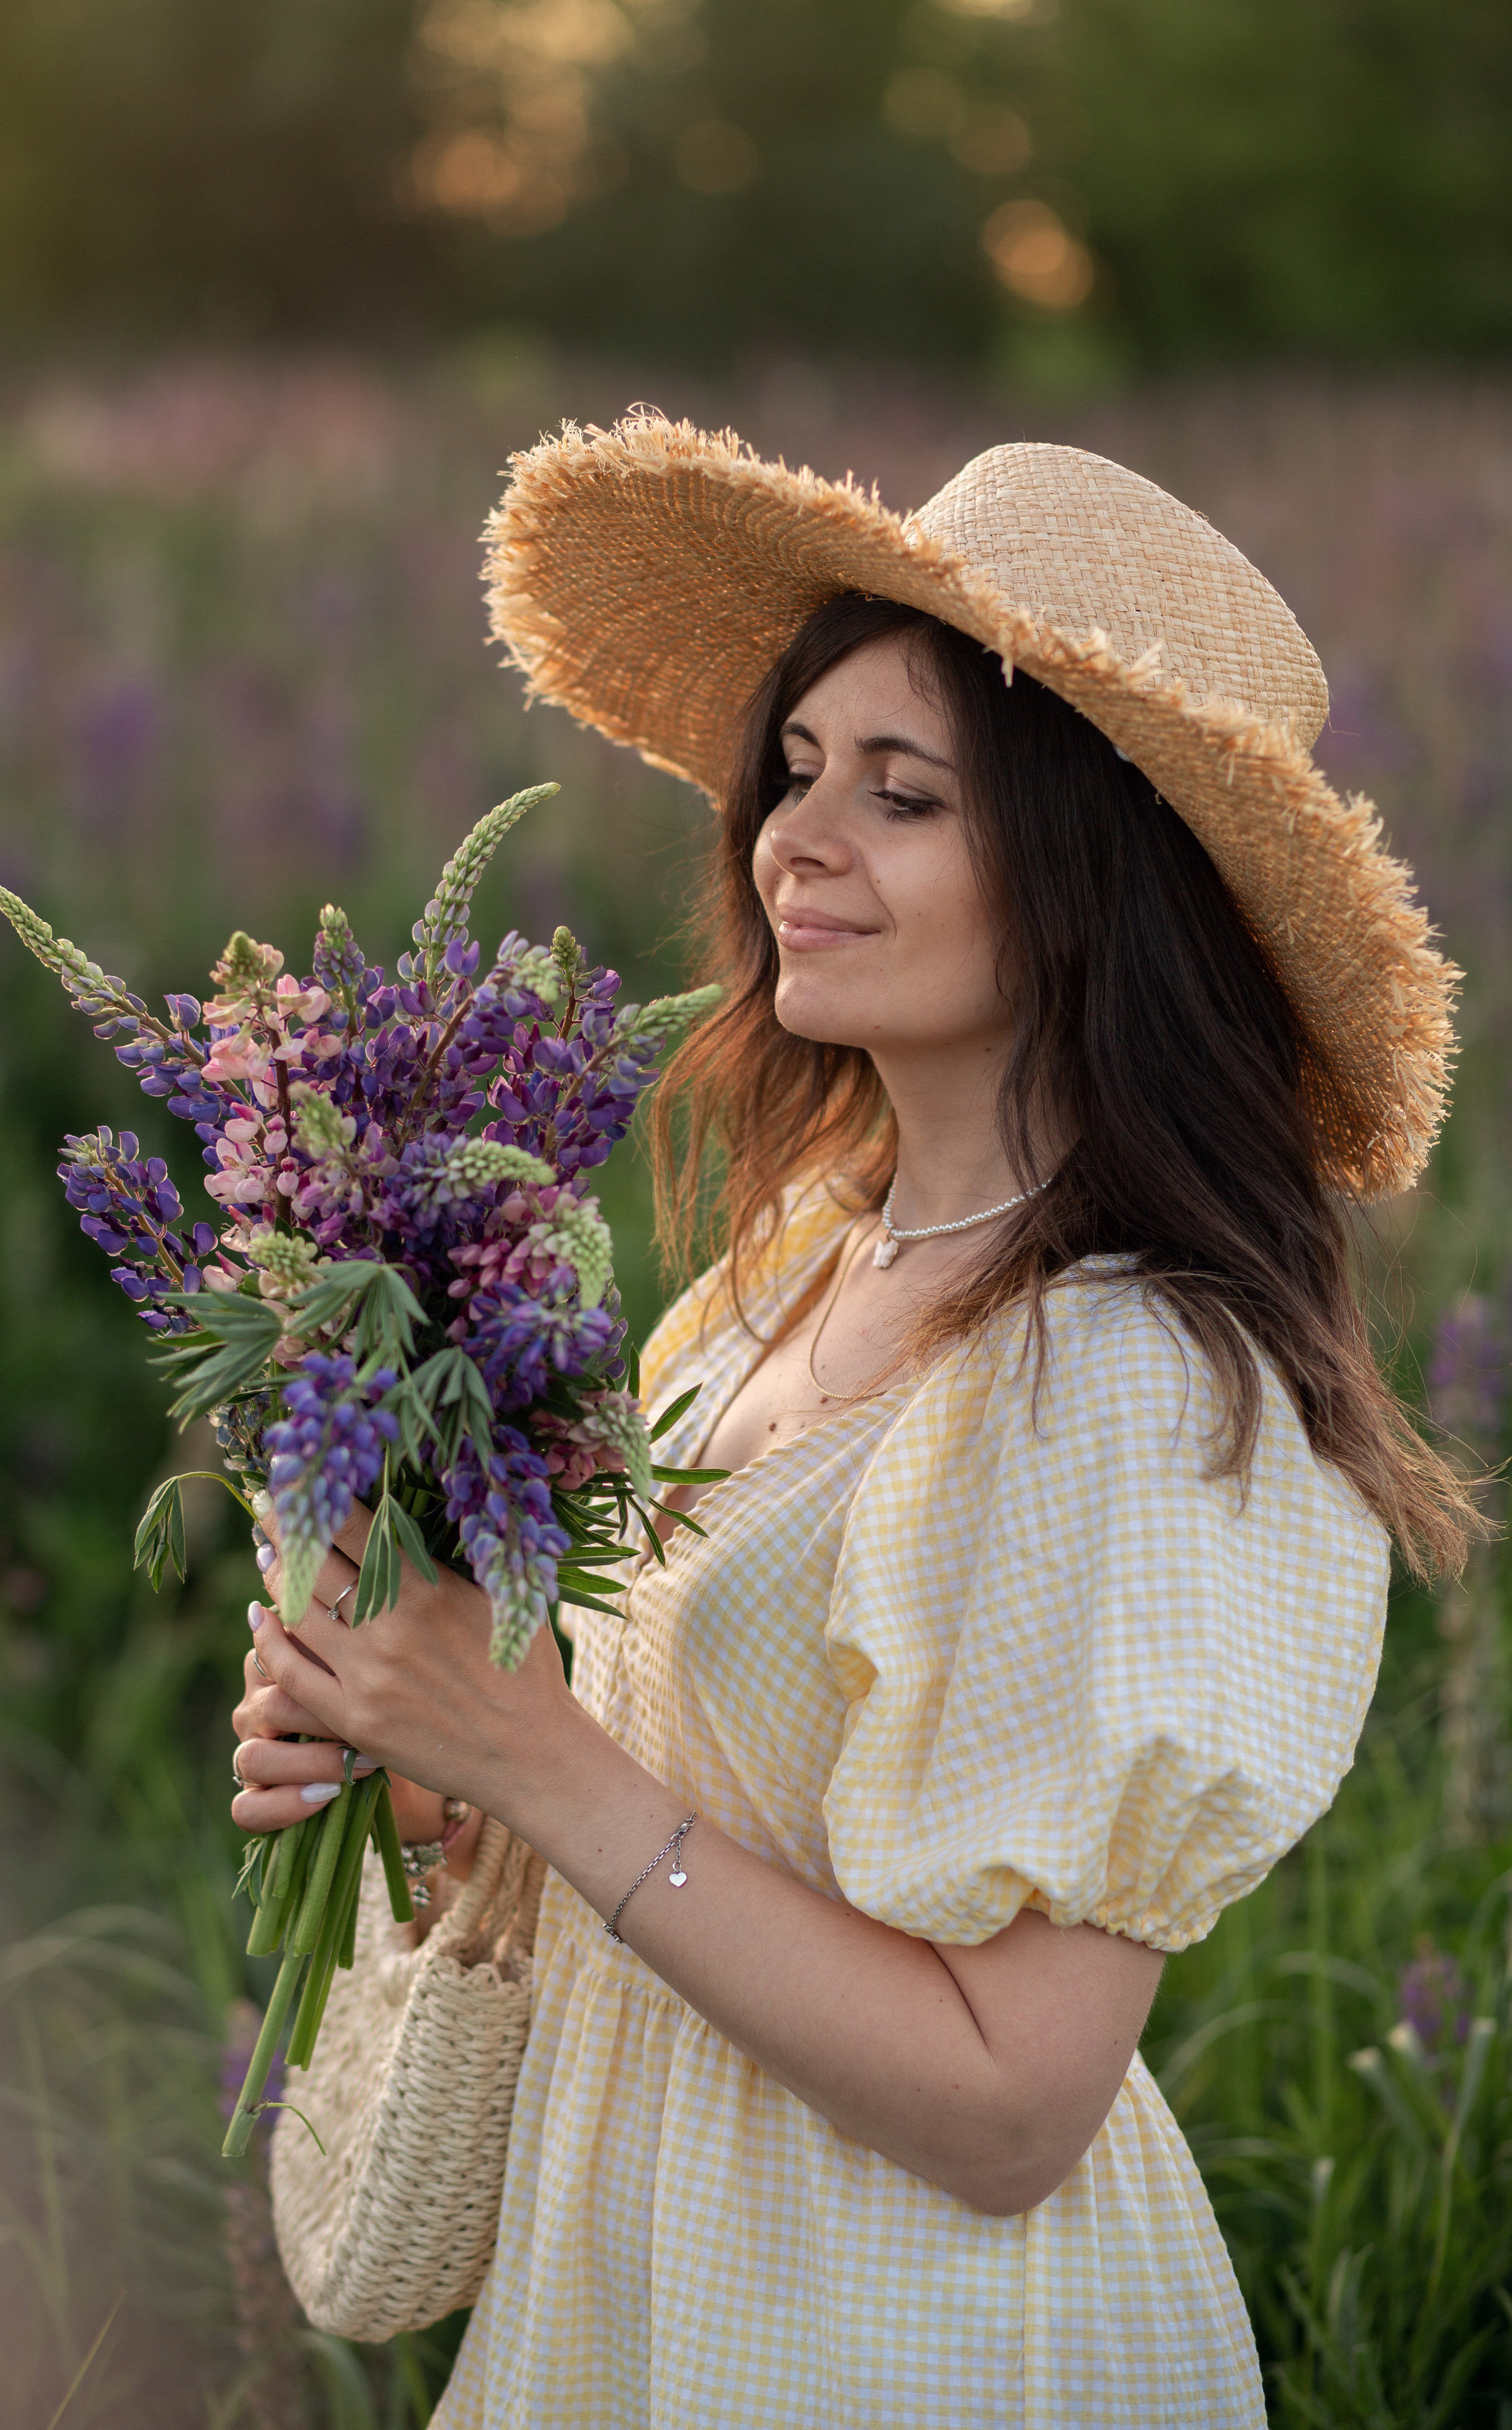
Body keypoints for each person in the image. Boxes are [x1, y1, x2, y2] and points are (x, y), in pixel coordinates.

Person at [229, 418, 1473, 2427]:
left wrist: (534, 1750)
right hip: (624, 2273)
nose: (792, 839)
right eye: (797, 773)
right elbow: (677, 1806)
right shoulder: (787, 1271)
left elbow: (1010, 2108)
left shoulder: (1136, 1391)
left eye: (905, 796)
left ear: (1096, 879)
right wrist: (428, 1760)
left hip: (898, 2333)